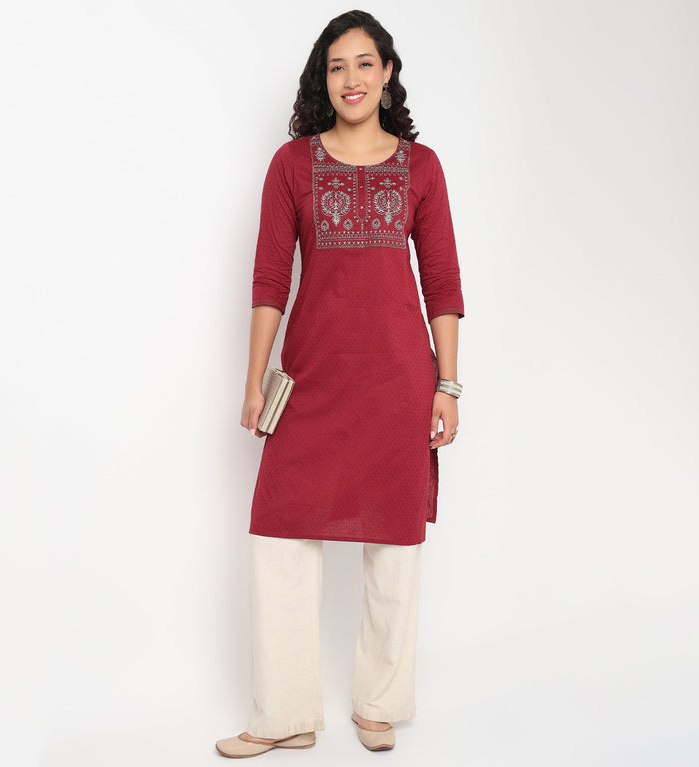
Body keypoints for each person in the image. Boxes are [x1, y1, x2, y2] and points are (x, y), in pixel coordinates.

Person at [216, 9, 465, 758]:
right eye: (335, 66)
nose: (350, 79)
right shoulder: (292, 164)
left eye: (363, 63)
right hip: (310, 380)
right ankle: (285, 713)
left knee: (394, 545)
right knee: (279, 531)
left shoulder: (422, 168)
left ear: (387, 73)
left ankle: (379, 703)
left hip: (398, 381)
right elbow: (269, 278)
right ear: (321, 81)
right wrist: (255, 381)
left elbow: (442, 282)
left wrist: (448, 385)